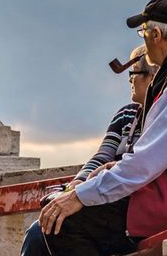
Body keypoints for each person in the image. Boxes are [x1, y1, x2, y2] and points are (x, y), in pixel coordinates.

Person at [23, 0, 167, 256]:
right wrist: (105, 174)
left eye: (143, 32)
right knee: (65, 219)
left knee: (61, 224)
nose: (144, 39)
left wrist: (78, 195)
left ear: (157, 35)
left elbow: (144, 165)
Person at [20, 45, 158, 256]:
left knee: (57, 227)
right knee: (39, 230)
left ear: (152, 76)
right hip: (103, 200)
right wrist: (77, 183)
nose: (129, 79)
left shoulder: (162, 118)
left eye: (133, 72)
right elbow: (102, 156)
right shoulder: (127, 115)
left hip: (131, 209)